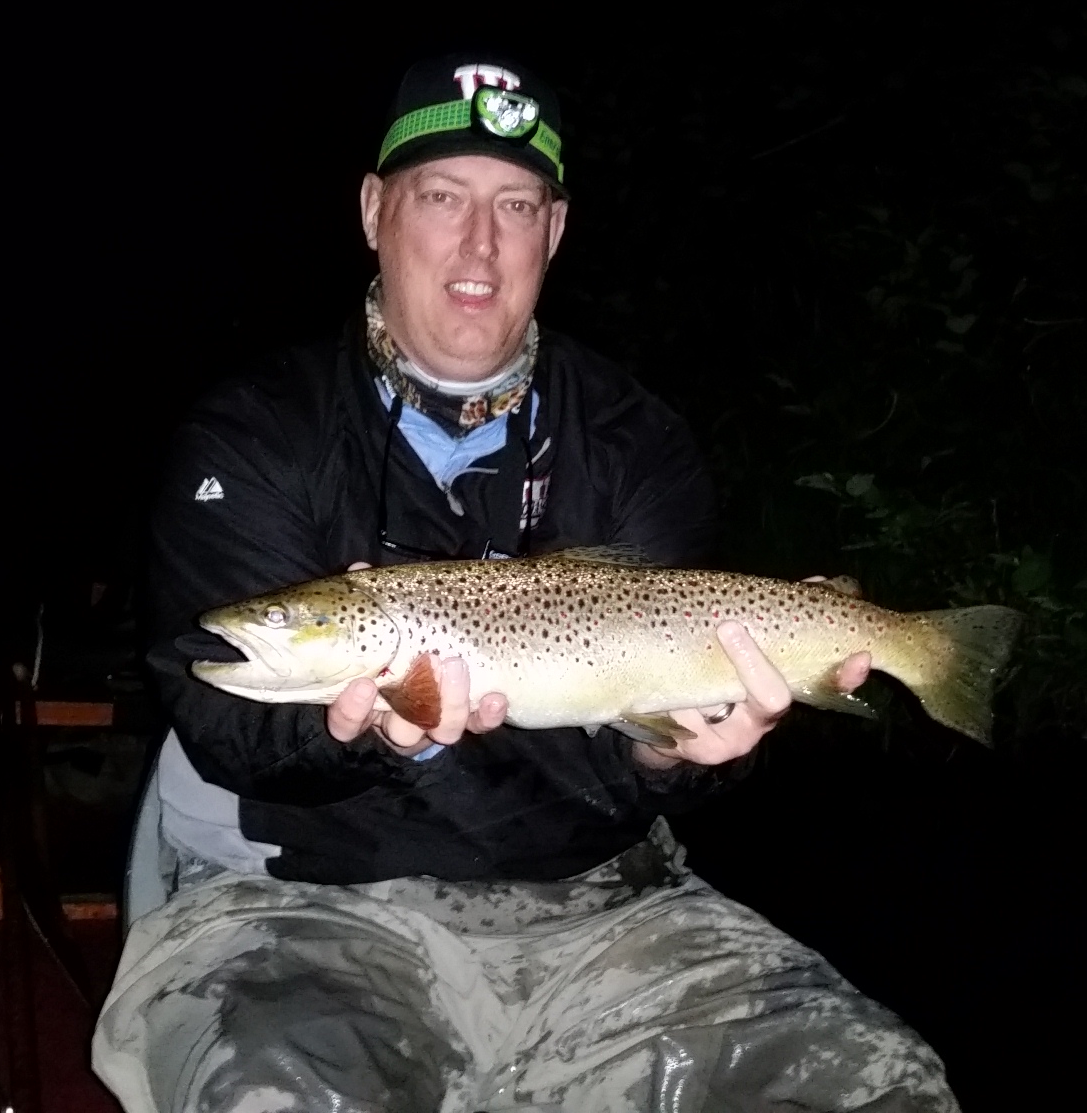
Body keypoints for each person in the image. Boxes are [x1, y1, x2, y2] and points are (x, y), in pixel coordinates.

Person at [94, 54, 959, 1113]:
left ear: (553, 232)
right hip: (305, 908)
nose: (478, 243)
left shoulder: (635, 440)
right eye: (441, 198)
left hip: (610, 912)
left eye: (514, 206)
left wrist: (676, 753)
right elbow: (215, 708)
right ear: (374, 211)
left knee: (885, 1091)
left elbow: (657, 747)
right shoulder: (254, 434)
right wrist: (362, 729)